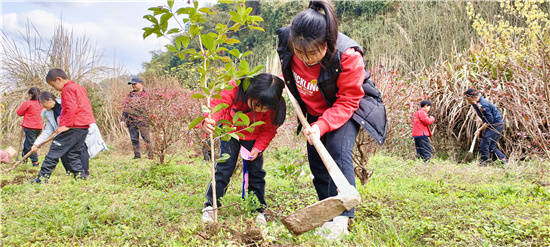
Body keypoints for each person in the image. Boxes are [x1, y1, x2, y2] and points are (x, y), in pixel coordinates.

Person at [276, 0, 387, 239]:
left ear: (327, 43)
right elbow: (287, 67)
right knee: (316, 160)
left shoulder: (348, 56)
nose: (306, 59)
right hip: (314, 110)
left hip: (345, 107)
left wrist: (323, 125)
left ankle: (343, 218)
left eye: (313, 53)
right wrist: (314, 123)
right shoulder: (288, 41)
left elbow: (348, 101)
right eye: (300, 52)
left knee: (337, 150)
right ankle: (328, 212)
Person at [201, 73, 286, 226]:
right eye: (257, 105)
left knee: (256, 172)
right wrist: (210, 119)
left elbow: (268, 130)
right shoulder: (235, 87)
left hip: (254, 136)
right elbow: (218, 104)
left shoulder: (273, 106)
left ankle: (257, 210)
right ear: (251, 92)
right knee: (225, 166)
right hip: (230, 129)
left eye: (264, 108)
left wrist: (258, 148)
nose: (259, 111)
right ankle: (210, 206)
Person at [30, 69, 95, 183]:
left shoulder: (67, 89)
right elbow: (85, 106)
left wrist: (67, 125)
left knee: (53, 153)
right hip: (83, 127)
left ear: (58, 79)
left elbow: (71, 108)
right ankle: (81, 177)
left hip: (72, 127)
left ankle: (41, 179)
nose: (55, 88)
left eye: (53, 85)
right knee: (73, 153)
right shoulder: (79, 88)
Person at [31, 91, 107, 176]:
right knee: (63, 152)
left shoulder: (65, 103)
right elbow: (48, 131)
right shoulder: (48, 113)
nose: (42, 106)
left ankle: (84, 173)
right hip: (65, 134)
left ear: (49, 100)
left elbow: (77, 114)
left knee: (80, 149)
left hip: (79, 129)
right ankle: (70, 173)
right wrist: (36, 143)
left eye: (43, 103)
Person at [464, 88, 507, 165]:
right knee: (491, 146)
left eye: (467, 98)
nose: (467, 100)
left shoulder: (483, 105)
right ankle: (504, 161)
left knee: (484, 144)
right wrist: (480, 120)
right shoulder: (475, 103)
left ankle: (484, 162)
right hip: (491, 125)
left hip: (496, 125)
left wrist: (479, 130)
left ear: (472, 97)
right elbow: (478, 113)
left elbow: (489, 121)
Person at [120, 77, 152, 159]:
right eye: (132, 84)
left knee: (146, 138)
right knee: (134, 139)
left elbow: (151, 107)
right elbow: (126, 108)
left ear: (140, 84)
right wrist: (122, 119)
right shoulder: (130, 95)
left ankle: (151, 155)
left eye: (135, 84)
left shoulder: (147, 95)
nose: (133, 86)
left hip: (143, 120)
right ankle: (137, 156)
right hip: (131, 121)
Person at [16, 87, 43, 167]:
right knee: (28, 143)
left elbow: (19, 113)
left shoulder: (28, 103)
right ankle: (24, 158)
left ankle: (35, 162)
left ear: (30, 95)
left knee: (30, 145)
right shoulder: (41, 103)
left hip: (30, 127)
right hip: (39, 127)